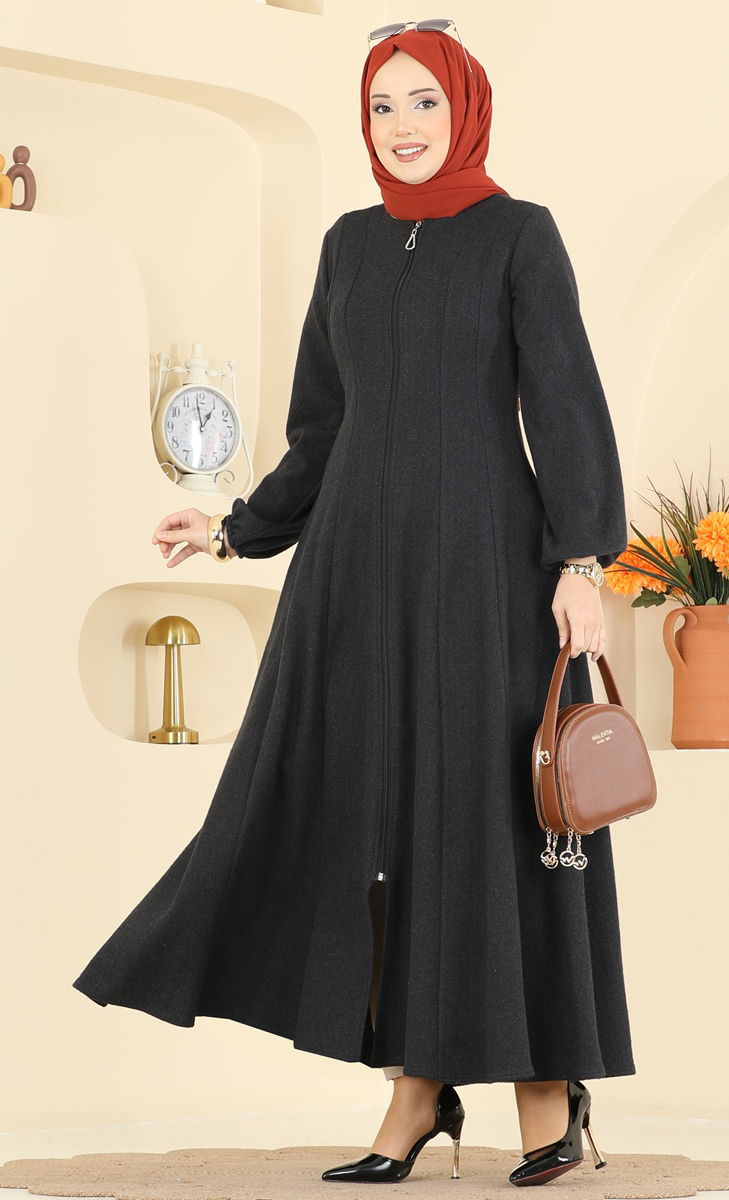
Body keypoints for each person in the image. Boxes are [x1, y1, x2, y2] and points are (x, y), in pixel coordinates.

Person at [72, 23, 635, 1188]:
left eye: (423, 100)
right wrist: (234, 527)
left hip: (483, 580)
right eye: (382, 105)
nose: (402, 125)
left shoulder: (519, 235)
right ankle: (416, 1091)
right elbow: (320, 431)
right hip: (354, 585)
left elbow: (564, 403)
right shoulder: (347, 245)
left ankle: (545, 1091)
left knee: (494, 823)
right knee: (371, 824)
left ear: (465, 107)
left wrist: (580, 562)